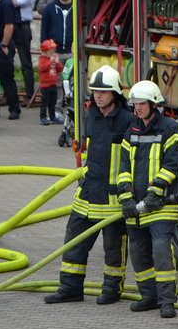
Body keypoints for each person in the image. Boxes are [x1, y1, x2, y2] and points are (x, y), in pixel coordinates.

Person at [45, 65, 137, 305]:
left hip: (112, 199)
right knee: (74, 244)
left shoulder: (128, 121)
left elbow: (132, 160)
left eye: (103, 91)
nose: (98, 95)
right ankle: (70, 288)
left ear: (115, 93)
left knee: (113, 249)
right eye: (95, 91)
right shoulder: (91, 116)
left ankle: (111, 290)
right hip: (86, 195)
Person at [117, 80, 178, 317]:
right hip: (136, 207)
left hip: (162, 205)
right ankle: (149, 296)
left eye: (141, 104)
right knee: (138, 251)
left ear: (154, 104)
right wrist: (125, 198)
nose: (137, 108)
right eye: (134, 104)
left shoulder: (170, 129)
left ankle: (167, 301)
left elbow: (172, 165)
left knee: (160, 251)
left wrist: (155, 193)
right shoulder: (132, 130)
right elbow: (123, 166)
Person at [3, 0, 37, 102]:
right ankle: (8, 95)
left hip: (23, 25)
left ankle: (29, 95)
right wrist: (13, 1)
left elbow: (24, 1)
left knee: (26, 61)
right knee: (6, 60)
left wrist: (8, 1)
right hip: (8, 25)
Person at [37, 39, 64, 125]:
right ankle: (43, 117)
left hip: (53, 84)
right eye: (50, 53)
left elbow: (60, 69)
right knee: (44, 103)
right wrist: (50, 62)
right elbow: (42, 68)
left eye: (53, 52)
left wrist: (57, 62)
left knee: (53, 102)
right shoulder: (42, 59)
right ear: (44, 52)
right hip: (45, 86)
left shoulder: (53, 60)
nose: (52, 54)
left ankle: (52, 117)